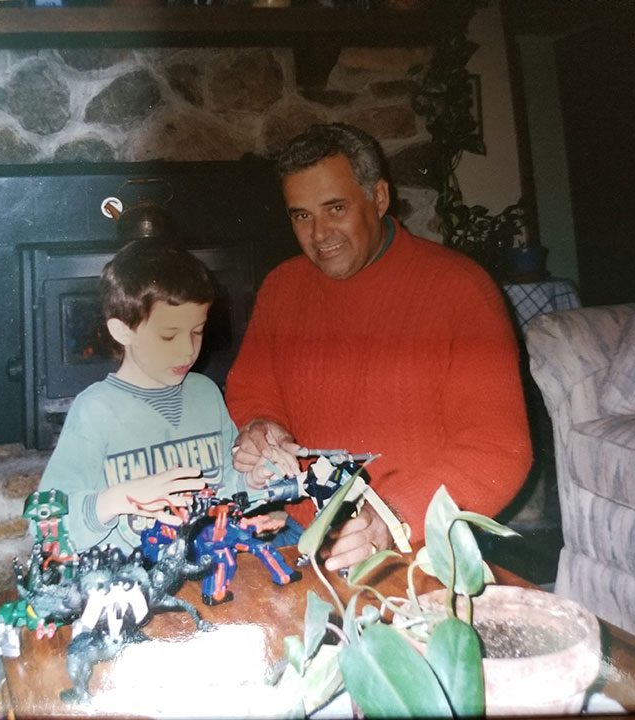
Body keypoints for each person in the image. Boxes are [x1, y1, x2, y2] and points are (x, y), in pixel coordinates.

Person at [225, 122, 533, 571]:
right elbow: (254, 390)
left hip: (415, 543)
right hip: (298, 533)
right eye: (301, 215)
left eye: (335, 208)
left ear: (380, 198)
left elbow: (499, 449)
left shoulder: (459, 288)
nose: (319, 234)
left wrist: (391, 517)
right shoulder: (281, 286)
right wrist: (262, 426)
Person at [38, 239, 251, 554]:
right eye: (168, 335)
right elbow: (46, 527)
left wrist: (255, 479)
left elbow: (229, 486)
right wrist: (118, 498)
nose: (188, 350)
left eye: (197, 331)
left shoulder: (205, 393)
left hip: (204, 566)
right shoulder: (96, 410)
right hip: (127, 584)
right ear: (122, 331)